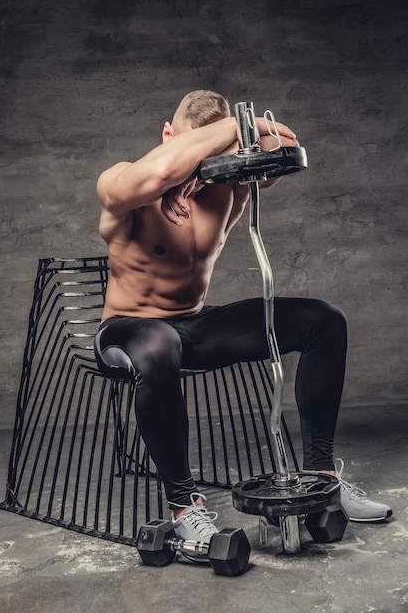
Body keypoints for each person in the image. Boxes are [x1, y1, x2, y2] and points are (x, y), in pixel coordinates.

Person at [95, 90, 392, 557]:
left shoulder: (226, 185)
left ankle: (321, 480)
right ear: (167, 137)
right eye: (192, 147)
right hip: (129, 330)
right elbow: (160, 171)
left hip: (194, 325)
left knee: (323, 320)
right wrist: (203, 150)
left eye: (212, 152)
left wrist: (235, 139)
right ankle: (182, 506)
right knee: (157, 346)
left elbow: (283, 147)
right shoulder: (121, 184)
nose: (200, 163)